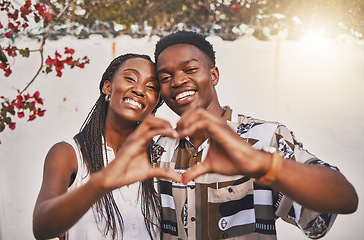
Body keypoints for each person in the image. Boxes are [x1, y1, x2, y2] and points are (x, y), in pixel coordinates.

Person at [152, 31, 358, 239]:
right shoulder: (159, 151)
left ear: (214, 75)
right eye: (165, 77)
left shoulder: (264, 138)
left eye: (190, 69)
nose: (177, 81)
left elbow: (342, 202)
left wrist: (263, 164)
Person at [32, 53, 182, 240]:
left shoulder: (158, 158)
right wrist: (100, 183)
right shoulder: (68, 154)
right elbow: (41, 227)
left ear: (156, 102)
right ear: (107, 87)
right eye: (130, 78)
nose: (139, 90)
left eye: (151, 87)